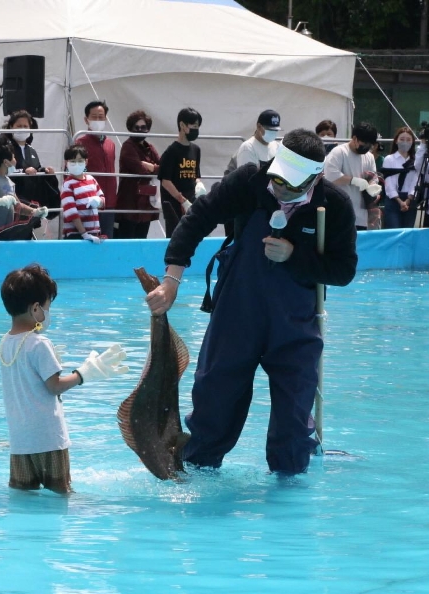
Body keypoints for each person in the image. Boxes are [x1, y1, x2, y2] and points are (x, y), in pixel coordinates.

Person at [144, 129, 358, 475]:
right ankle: (197, 480)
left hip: (295, 326)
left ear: (315, 177)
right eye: (277, 177)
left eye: (290, 184)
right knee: (213, 409)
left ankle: (288, 505)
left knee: (293, 427)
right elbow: (198, 218)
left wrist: (295, 255)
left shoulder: (333, 206)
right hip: (237, 315)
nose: (279, 188)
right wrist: (172, 280)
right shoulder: (250, 181)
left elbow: (344, 270)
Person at [0, 263, 128, 494]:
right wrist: (85, 372)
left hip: (20, 442)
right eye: (48, 307)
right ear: (36, 308)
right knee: (61, 494)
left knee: (22, 494)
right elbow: (54, 387)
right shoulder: (39, 344)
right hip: (48, 439)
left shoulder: (5, 343)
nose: (49, 313)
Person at [0, 141, 44, 240]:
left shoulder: (8, 181)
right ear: (6, 162)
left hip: (4, 230)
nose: (15, 160)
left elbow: (17, 206)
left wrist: (35, 211)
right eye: (13, 157)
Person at [158, 107, 205, 237]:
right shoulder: (171, 151)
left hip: (191, 201)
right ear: (182, 125)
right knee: (175, 237)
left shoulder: (196, 150)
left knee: (191, 236)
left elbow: (196, 174)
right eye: (193, 126)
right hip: (173, 204)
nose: (196, 130)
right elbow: (165, 181)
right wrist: (182, 200)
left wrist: (199, 184)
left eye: (198, 126)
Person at [1, 110, 59, 213]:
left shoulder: (31, 150)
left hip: (32, 201)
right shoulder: (5, 148)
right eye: (19, 126)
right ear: (11, 127)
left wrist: (44, 170)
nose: (22, 129)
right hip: (13, 201)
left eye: (25, 126)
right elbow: (2, 172)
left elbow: (36, 168)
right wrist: (24, 171)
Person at [324, 121, 378, 230]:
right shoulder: (339, 152)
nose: (367, 147)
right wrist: (353, 180)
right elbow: (330, 176)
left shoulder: (369, 157)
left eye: (369, 145)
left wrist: (373, 186)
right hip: (339, 212)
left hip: (361, 214)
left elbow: (373, 177)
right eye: (364, 144)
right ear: (354, 138)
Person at [115, 110, 160, 239]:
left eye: (143, 127)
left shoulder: (150, 147)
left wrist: (152, 167)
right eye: (137, 127)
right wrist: (154, 169)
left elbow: (165, 169)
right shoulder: (128, 147)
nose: (140, 130)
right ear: (130, 128)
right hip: (130, 204)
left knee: (142, 240)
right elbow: (141, 171)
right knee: (126, 242)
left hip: (146, 204)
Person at [75, 101, 117, 238]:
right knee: (90, 241)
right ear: (86, 119)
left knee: (108, 240)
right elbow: (74, 173)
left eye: (101, 117)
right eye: (94, 117)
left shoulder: (110, 144)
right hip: (89, 203)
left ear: (106, 119)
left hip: (109, 202)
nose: (98, 120)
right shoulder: (80, 143)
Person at [60, 144, 104, 242]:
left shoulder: (91, 179)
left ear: (86, 161)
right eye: (73, 161)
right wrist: (84, 234)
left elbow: (102, 199)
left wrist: (99, 201)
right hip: (76, 235)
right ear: (66, 163)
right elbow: (72, 213)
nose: (76, 164)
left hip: (94, 232)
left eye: (80, 161)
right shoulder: (67, 185)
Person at [381, 127, 417, 229]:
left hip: (410, 199)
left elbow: (416, 181)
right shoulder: (389, 159)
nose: (405, 142)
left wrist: (408, 200)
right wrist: (400, 201)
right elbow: (388, 183)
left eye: (408, 139)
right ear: (396, 141)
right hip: (393, 199)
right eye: (402, 139)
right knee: (393, 231)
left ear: (412, 142)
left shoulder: (416, 161)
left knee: (407, 232)